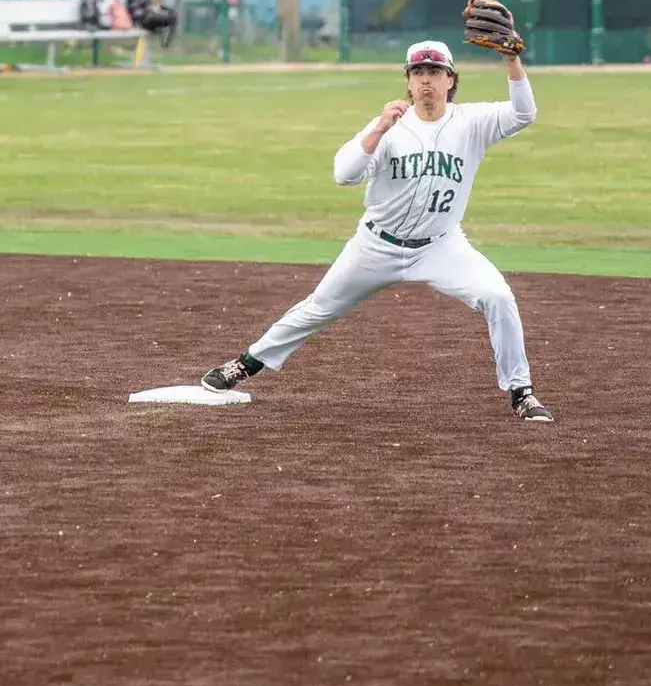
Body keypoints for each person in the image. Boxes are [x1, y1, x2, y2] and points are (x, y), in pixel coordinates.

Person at [197, 38, 553, 423]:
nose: (426, 81)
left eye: (435, 72)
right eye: (418, 72)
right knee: (318, 308)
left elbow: (523, 114)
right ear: (408, 80)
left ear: (451, 79)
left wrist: (511, 60)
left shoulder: (472, 122)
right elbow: (344, 174)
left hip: (440, 246)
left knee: (497, 296)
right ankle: (247, 363)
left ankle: (522, 392)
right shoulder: (391, 125)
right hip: (375, 245)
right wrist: (381, 127)